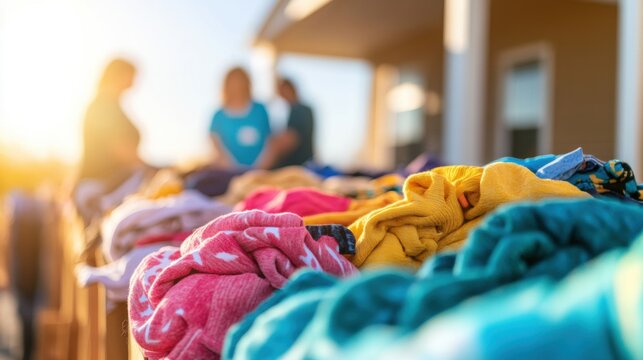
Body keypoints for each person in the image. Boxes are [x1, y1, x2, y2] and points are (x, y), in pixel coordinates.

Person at [78, 58, 143, 190]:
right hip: (103, 185)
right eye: (131, 76)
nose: (134, 83)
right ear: (119, 74)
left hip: (108, 183)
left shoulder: (110, 106)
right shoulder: (103, 106)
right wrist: (153, 169)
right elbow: (120, 149)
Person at [210, 67, 271, 168]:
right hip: (228, 173)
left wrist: (258, 168)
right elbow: (215, 146)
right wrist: (233, 168)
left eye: (240, 81)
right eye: (233, 82)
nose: (237, 85)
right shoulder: (218, 116)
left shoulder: (260, 110)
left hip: (260, 172)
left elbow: (270, 142)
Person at [270, 78, 315, 168]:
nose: (281, 95)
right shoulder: (293, 110)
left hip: (298, 165)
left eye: (282, 91)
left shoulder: (301, 110)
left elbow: (291, 139)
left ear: (289, 89)